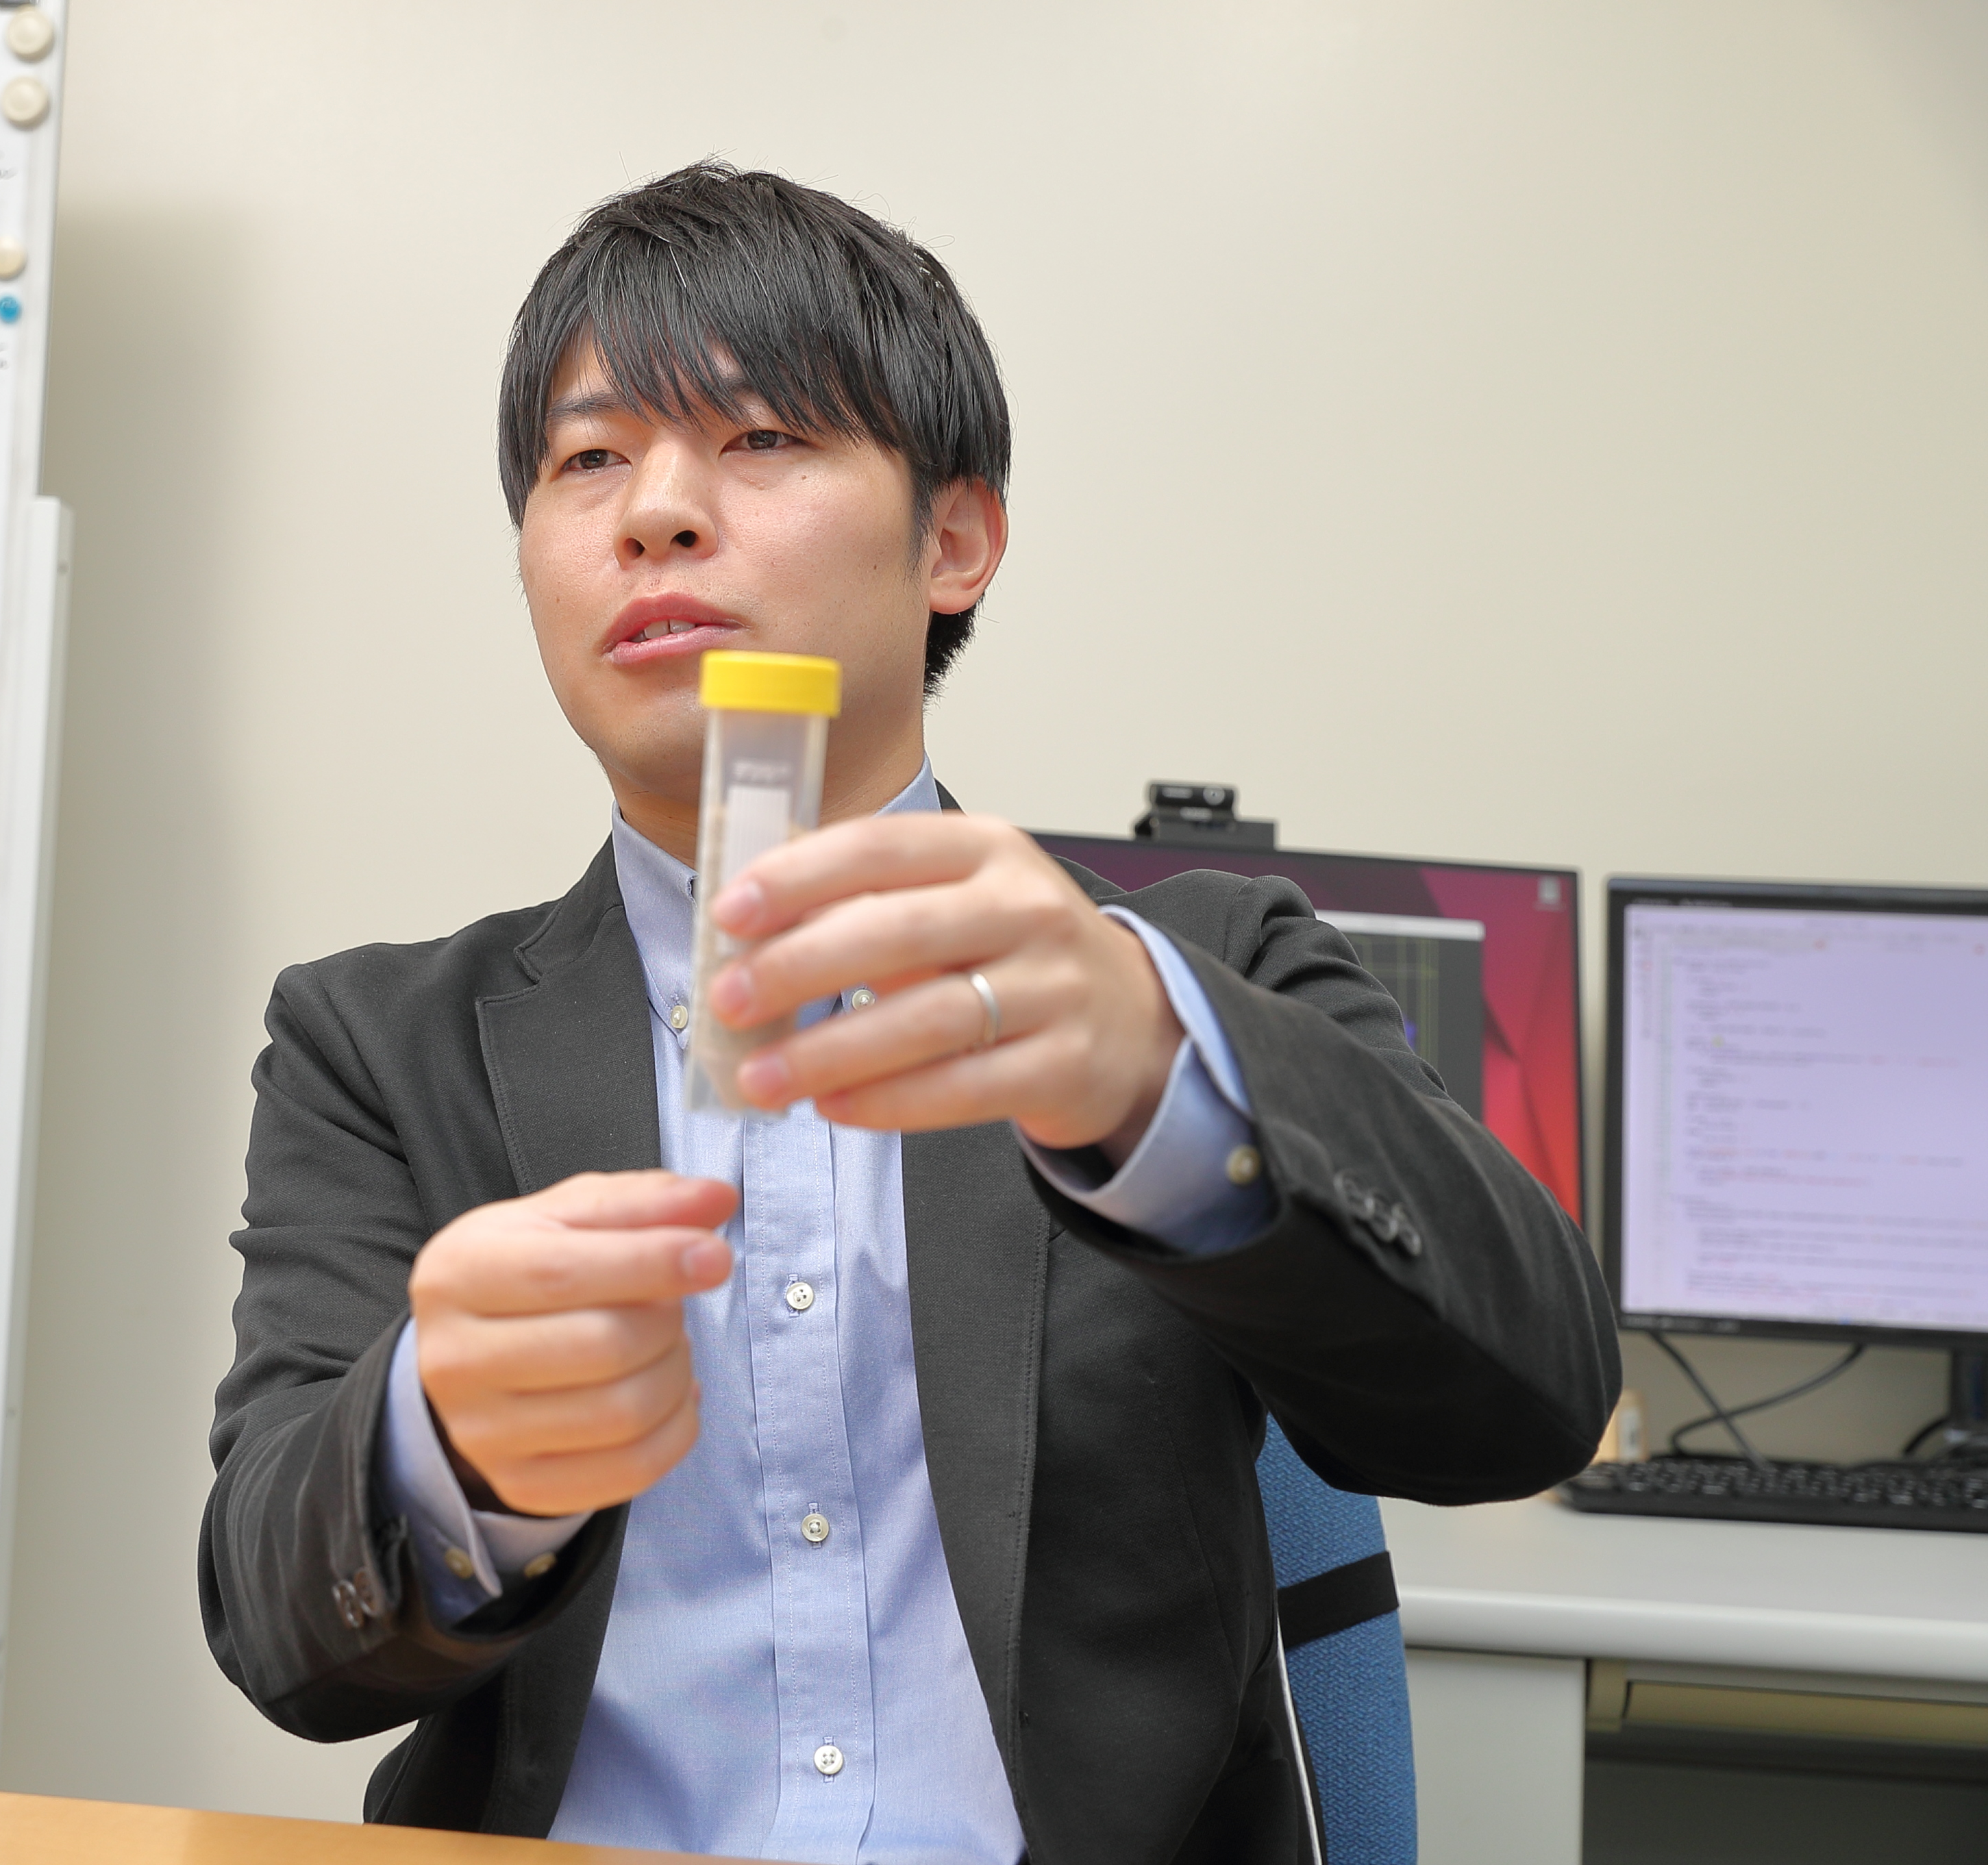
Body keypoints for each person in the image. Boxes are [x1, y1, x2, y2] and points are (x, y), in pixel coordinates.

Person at [201, 162, 1617, 1865]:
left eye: (759, 438)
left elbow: (1526, 1395)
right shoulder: (377, 1043)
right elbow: (280, 1638)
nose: (655, 512)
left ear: (952, 541)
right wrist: (442, 1445)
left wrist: (1156, 1081)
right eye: (589, 460)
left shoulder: (1205, 969)